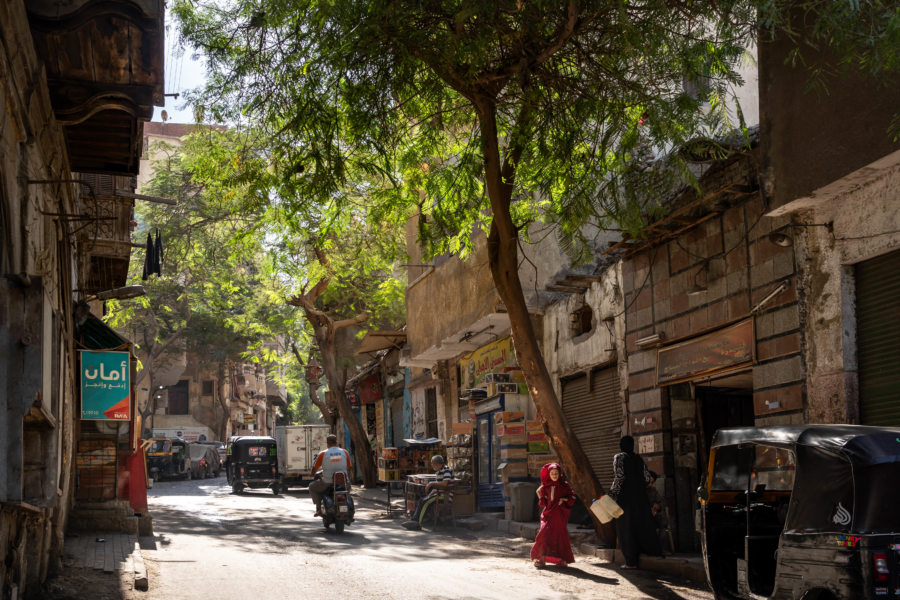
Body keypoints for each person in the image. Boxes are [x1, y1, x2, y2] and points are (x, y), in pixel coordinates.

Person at [608, 435, 663, 569]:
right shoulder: (639, 458)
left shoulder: (619, 457)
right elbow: (646, 478)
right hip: (640, 497)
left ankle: (631, 562)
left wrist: (612, 493)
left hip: (625, 498)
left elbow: (619, 477)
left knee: (626, 527)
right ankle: (651, 553)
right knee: (641, 524)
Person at [530, 462, 576, 568]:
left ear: (560, 474)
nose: (554, 475)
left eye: (556, 473)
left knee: (559, 536)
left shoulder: (565, 485)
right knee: (543, 534)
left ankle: (559, 559)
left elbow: (572, 498)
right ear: (549, 475)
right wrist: (539, 493)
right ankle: (541, 558)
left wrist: (563, 499)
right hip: (547, 514)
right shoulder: (546, 486)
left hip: (559, 515)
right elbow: (543, 503)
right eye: (552, 473)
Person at [401, 455, 453, 530]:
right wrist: (431, 492)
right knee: (422, 500)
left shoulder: (446, 470)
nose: (432, 465)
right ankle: (414, 520)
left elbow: (444, 484)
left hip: (445, 496)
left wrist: (431, 484)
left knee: (425, 502)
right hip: (439, 493)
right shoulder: (439, 472)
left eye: (433, 463)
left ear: (438, 463)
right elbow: (439, 486)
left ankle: (417, 522)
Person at [308, 434, 352, 517]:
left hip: (327, 482)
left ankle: (319, 509)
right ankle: (347, 505)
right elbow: (349, 467)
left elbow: (315, 468)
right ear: (336, 443)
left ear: (327, 443)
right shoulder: (344, 452)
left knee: (312, 487)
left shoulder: (323, 453)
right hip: (344, 482)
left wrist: (312, 474)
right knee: (348, 491)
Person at [646, 471, 672, 555]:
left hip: (652, 517)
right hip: (640, 517)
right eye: (649, 482)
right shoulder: (638, 490)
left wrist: (658, 506)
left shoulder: (653, 490)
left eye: (652, 483)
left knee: (663, 523)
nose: (650, 484)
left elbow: (662, 502)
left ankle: (663, 550)